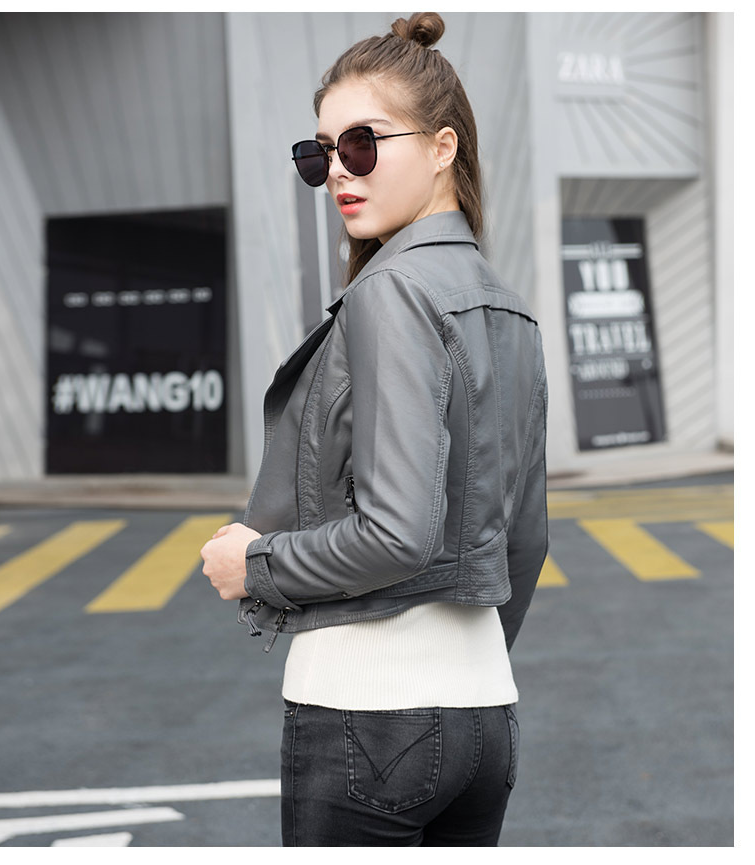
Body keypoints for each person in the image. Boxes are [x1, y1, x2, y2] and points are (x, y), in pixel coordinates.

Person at [200, 12, 548, 847]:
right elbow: (527, 541)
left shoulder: (391, 293)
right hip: (483, 717)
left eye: (362, 144)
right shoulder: (509, 307)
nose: (336, 171)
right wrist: (461, 671)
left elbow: (396, 534)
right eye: (320, 153)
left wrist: (253, 563)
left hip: (366, 714)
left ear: (442, 147)